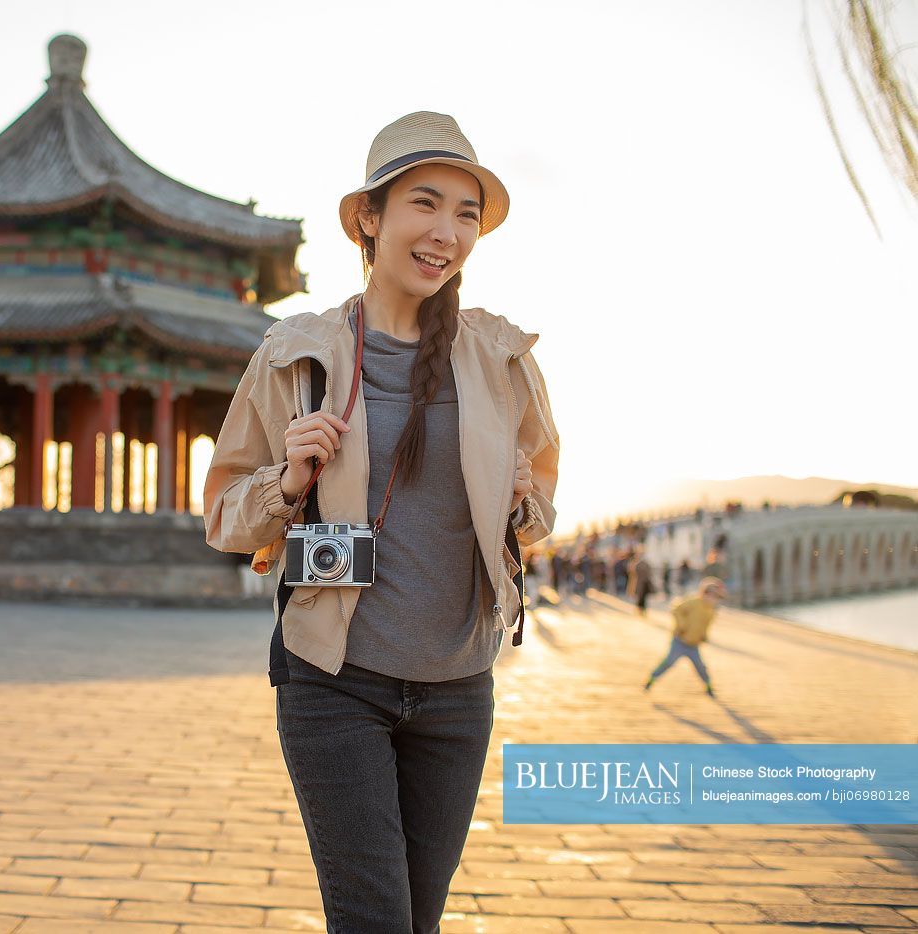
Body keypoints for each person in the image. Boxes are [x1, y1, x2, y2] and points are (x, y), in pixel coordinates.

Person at [202, 111, 560, 932]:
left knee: (418, 923)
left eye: (466, 214)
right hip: (333, 684)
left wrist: (517, 499)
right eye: (424, 204)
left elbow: (537, 511)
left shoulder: (503, 360)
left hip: (459, 687)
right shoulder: (295, 354)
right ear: (369, 218)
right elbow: (225, 515)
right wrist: (287, 480)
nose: (445, 232)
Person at [643, 576, 728, 696]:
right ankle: (652, 679)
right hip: (680, 640)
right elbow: (676, 610)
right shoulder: (693, 603)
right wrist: (681, 625)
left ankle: (708, 685)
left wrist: (704, 636)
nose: (713, 600)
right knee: (668, 662)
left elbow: (706, 625)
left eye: (716, 598)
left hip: (693, 644)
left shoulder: (711, 611)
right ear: (704, 593)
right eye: (712, 596)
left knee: (701, 667)